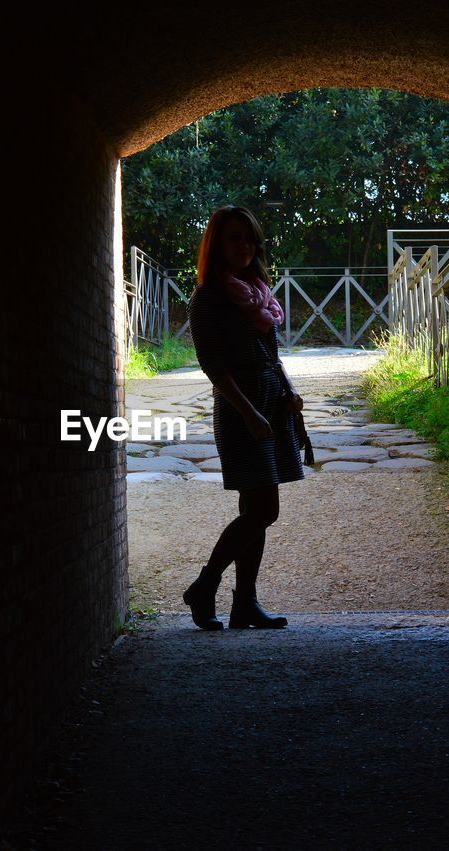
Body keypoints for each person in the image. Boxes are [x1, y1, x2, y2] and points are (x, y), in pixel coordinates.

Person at [181, 205, 306, 631]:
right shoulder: (209, 297)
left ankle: (244, 604)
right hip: (241, 411)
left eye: (249, 237)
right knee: (264, 509)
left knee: (256, 506)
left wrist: (288, 391)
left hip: (269, 404)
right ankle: (204, 586)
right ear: (217, 244)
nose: (244, 245)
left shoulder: (257, 292)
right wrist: (250, 412)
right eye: (234, 237)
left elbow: (271, 354)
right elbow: (212, 365)